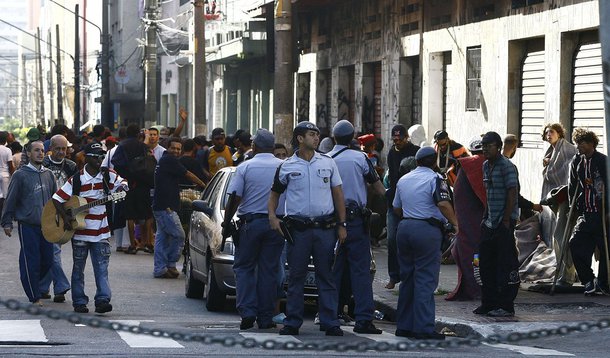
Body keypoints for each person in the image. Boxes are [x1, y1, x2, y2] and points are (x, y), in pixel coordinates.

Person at [268, 121, 347, 337]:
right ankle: (293, 321)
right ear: (300, 138)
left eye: (317, 135)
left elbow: (338, 194)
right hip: (299, 230)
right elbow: (274, 193)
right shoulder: (287, 166)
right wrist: (273, 217)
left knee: (326, 276)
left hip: (324, 229)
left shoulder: (328, 162)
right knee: (296, 277)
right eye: (312, 134)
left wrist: (342, 224)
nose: (316, 138)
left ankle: (330, 321)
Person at [52, 143, 128, 314]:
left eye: (102, 156)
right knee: (78, 268)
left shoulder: (108, 175)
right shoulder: (78, 179)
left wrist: (122, 188)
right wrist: (66, 218)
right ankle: (79, 301)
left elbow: (123, 184)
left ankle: (102, 300)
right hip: (79, 232)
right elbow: (57, 199)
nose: (100, 159)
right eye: (95, 156)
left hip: (101, 232)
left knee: (101, 268)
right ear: (87, 158)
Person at [393, 146, 458, 340]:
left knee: (407, 278)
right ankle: (423, 327)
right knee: (425, 280)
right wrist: (455, 224)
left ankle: (403, 325)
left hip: (404, 229)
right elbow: (443, 203)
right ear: (434, 161)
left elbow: (397, 208)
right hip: (426, 231)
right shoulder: (435, 179)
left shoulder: (404, 179)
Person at [327, 120, 385, 335]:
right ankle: (363, 319)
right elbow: (378, 188)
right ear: (352, 137)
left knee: (332, 270)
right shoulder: (360, 158)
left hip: (330, 221)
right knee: (360, 271)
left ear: (334, 138)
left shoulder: (325, 159)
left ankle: (329, 316)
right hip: (355, 220)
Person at [224, 129, 285, 330]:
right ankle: (266, 317)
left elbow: (235, 197)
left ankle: (247, 312)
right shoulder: (283, 166)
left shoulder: (245, 167)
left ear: (255, 147)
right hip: (276, 224)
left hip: (250, 224)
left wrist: (227, 221)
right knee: (269, 270)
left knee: (244, 268)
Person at [1, 141, 56, 305]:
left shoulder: (49, 174)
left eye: (42, 150)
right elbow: (11, 200)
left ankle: (36, 286)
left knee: (48, 259)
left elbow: (56, 200)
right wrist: (7, 222)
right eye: (36, 150)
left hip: (47, 226)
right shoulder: (20, 175)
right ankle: (35, 296)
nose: (40, 153)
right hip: (28, 225)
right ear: (29, 154)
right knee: (30, 260)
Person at [474, 132, 520, 318]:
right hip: (490, 222)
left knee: (505, 265)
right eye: (484, 145)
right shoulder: (486, 166)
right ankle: (489, 303)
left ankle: (506, 305)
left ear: (499, 147)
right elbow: (488, 194)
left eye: (489, 145)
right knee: (485, 263)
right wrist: (485, 218)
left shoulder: (507, 167)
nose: (485, 148)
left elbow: (512, 193)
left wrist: (507, 220)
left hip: (504, 222)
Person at [152, 138, 205, 278]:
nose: (176, 151)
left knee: (162, 238)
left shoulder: (165, 160)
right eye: (173, 148)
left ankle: (160, 268)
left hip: (161, 205)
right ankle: (169, 264)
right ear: (167, 148)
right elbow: (187, 174)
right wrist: (204, 185)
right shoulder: (169, 160)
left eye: (178, 149)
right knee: (179, 235)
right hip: (165, 207)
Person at [568, 128, 609, 295]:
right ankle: (588, 280)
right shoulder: (577, 162)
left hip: (602, 214)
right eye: (577, 143)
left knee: (606, 250)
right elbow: (572, 186)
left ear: (592, 144)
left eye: (582, 143)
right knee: (575, 244)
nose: (579, 147)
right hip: (586, 213)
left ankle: (603, 283)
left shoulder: (603, 161)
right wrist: (573, 207)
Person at [446, 136, 486, 301]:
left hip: (470, 226)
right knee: (476, 257)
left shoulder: (465, 167)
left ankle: (476, 287)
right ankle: (480, 287)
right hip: (482, 224)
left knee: (472, 256)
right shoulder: (480, 166)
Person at [40, 135, 77, 303]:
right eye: (58, 149)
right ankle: (56, 286)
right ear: (51, 149)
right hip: (46, 211)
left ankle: (49, 287)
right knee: (50, 250)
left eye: (64, 149)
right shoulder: (42, 165)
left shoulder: (71, 166)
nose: (61, 152)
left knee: (53, 250)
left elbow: (76, 190)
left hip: (63, 212)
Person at [540, 123, 578, 286]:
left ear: (559, 133)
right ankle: (565, 272)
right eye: (547, 132)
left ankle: (568, 274)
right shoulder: (552, 150)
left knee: (562, 236)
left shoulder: (567, 149)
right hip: (557, 200)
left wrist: (550, 167)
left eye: (552, 132)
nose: (549, 135)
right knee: (558, 236)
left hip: (567, 198)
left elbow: (568, 171)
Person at [385, 124, 420, 289]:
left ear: (407, 138)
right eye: (395, 139)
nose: (397, 142)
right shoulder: (392, 152)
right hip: (394, 201)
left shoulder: (416, 152)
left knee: (412, 241)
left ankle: (411, 277)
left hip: (413, 202)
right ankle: (394, 276)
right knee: (392, 240)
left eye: (400, 139)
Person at [112, 124, 155, 255]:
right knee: (147, 214)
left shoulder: (122, 146)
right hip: (144, 184)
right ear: (138, 134)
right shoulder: (143, 146)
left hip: (129, 184)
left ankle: (132, 244)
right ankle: (148, 242)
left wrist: (127, 173)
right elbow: (151, 161)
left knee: (130, 215)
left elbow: (115, 162)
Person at [0, 131, 15, 213]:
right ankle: (5, 213)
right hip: (5, 175)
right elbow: (10, 165)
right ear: (5, 140)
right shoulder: (7, 150)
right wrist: (13, 175)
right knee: (6, 196)